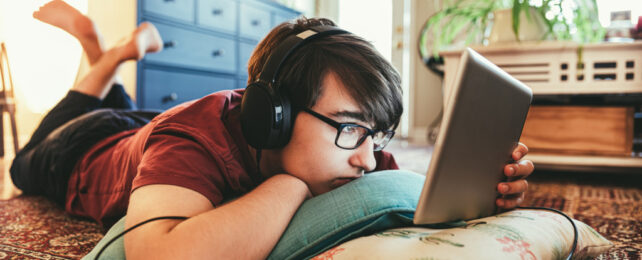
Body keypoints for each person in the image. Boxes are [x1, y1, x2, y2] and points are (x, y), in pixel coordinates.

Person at [11, 0, 534, 259]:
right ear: (273, 115)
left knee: (124, 103)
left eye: (374, 136)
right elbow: (161, 253)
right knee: (34, 150)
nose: (368, 161)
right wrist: (291, 184)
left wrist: (487, 187)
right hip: (80, 147)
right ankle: (100, 47)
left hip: (140, 127)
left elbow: (402, 194)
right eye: (351, 130)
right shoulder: (190, 138)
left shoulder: (348, 147)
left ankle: (108, 55)